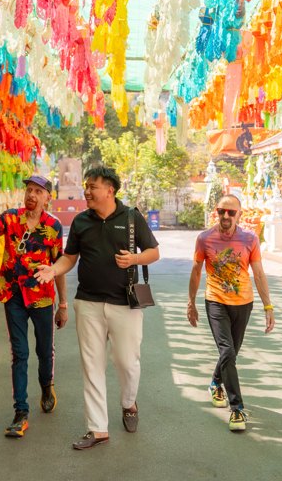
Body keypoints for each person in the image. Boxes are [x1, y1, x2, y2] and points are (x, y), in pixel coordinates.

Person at [35, 166, 160, 450]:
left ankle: (129, 403)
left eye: (92, 186)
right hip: (88, 303)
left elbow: (154, 252)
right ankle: (97, 429)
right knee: (92, 366)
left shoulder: (131, 218)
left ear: (109, 190)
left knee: (127, 363)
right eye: (86, 186)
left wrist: (135, 260)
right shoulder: (81, 221)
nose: (86, 191)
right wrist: (53, 270)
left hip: (124, 304)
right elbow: (69, 258)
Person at [0, 175, 68, 438]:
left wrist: (63, 304)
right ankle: (20, 413)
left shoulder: (53, 227)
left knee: (44, 351)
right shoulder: (10, 218)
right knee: (19, 353)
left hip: (41, 296)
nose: (32, 195)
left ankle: (46, 385)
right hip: (13, 294)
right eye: (29, 190)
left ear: (47, 197)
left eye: (38, 191)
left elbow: (59, 267)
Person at [187, 194, 275, 432]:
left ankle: (216, 382)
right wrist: (191, 302)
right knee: (227, 350)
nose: (225, 216)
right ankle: (237, 409)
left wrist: (268, 306)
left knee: (231, 352)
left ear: (239, 214)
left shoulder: (249, 238)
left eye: (231, 212)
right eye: (221, 211)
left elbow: (258, 274)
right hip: (215, 300)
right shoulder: (204, 238)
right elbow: (196, 272)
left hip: (243, 302)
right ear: (217, 211)